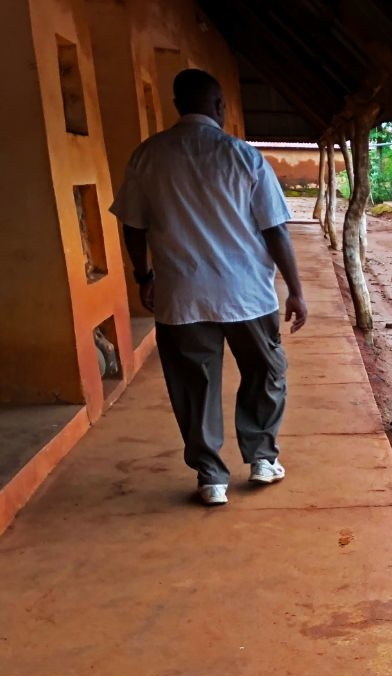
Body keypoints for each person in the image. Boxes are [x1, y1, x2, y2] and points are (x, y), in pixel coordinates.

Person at [111, 69, 307, 506]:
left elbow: (133, 224)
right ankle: (260, 457)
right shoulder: (244, 157)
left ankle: (211, 478)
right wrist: (295, 289)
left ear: (177, 104)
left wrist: (143, 276)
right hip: (247, 295)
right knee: (266, 374)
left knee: (193, 386)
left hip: (182, 296)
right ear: (219, 106)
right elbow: (275, 230)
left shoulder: (147, 156)